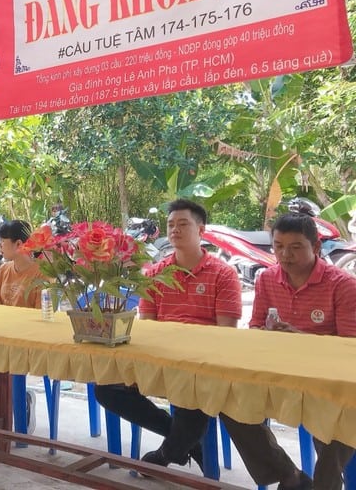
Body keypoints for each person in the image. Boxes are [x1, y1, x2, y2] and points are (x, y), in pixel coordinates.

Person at [93, 199, 242, 472]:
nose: (175, 230)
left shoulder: (224, 274)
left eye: (183, 224)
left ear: (201, 230)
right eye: (171, 224)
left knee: (192, 395)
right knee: (106, 389)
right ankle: (186, 443)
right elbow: (149, 326)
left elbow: (225, 334)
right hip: (161, 358)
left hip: (200, 362)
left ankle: (166, 453)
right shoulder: (155, 274)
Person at [220, 213, 356, 490]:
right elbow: (256, 325)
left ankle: (324, 485)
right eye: (278, 246)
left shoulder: (342, 284)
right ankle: (288, 475)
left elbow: (349, 347)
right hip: (278, 371)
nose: (285, 255)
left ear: (315, 247)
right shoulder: (267, 279)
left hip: (326, 376)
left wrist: (300, 338)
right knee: (229, 401)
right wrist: (264, 333)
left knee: (341, 418)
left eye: (295, 247)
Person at [0, 219, 43, 432]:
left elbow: (41, 317)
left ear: (18, 244)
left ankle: (13, 402)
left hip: (27, 338)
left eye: (3, 242)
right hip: (2, 334)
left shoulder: (41, 274)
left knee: (4, 364)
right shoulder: (3, 271)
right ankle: (6, 401)